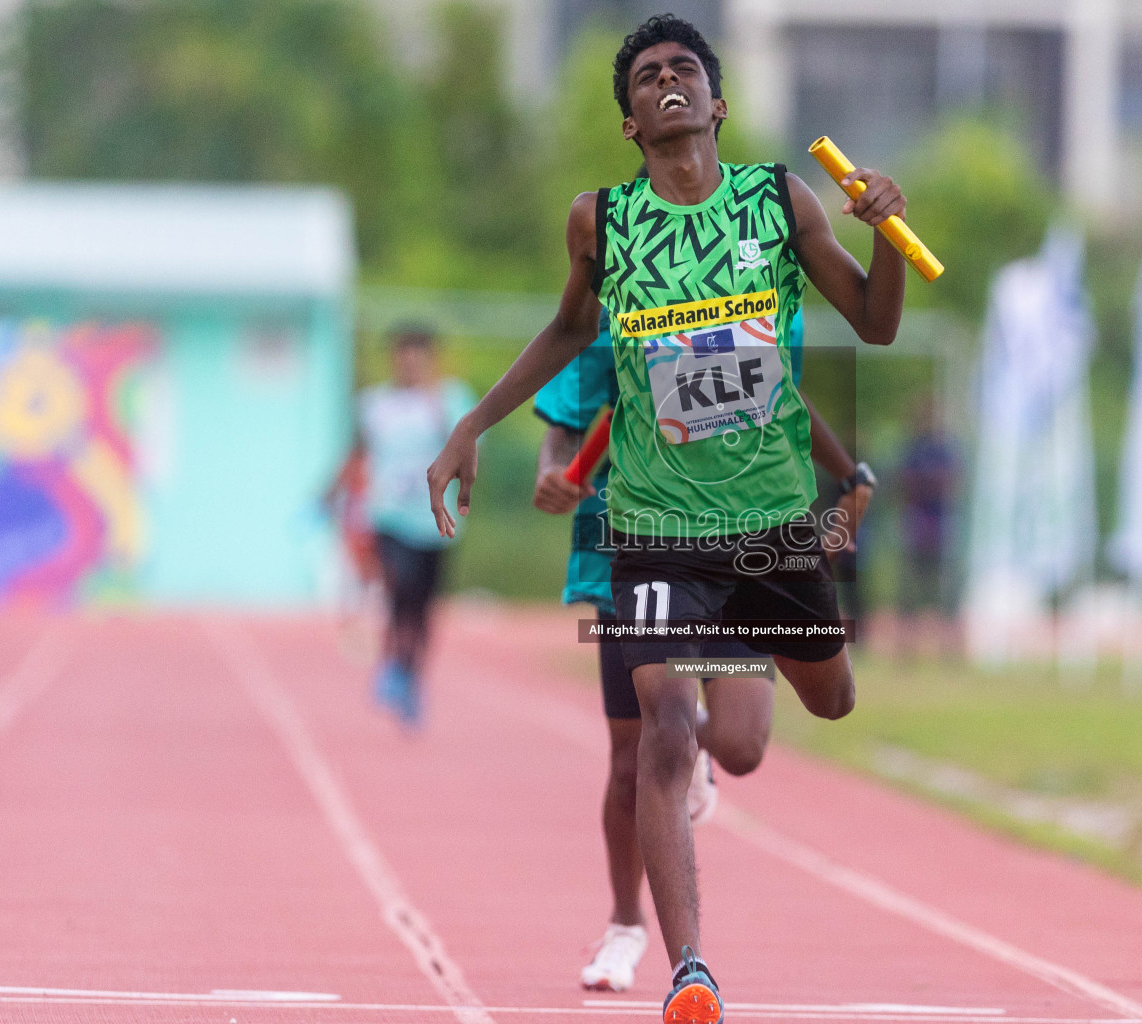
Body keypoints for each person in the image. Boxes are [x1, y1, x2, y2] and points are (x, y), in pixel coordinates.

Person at [426, 15, 908, 1022]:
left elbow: (876, 320)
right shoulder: (602, 220)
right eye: (647, 77)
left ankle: (750, 652)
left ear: (718, 102)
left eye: (685, 68)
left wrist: (886, 235)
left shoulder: (779, 201)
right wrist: (473, 422)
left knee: (789, 724)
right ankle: (691, 968)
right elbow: (565, 330)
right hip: (651, 523)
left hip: (772, 519)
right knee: (665, 731)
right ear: (630, 121)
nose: (668, 82)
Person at [532, 307, 870, 993]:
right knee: (635, 759)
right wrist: (555, 471)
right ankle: (628, 924)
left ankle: (697, 757)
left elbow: (783, 396)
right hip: (638, 553)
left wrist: (847, 473)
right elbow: (565, 425)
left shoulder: (748, 300)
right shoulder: (607, 318)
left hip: (740, 547)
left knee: (742, 744)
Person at [330, 324, 474, 727]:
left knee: (422, 606)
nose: (409, 362)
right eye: (402, 354)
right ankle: (392, 663)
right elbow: (356, 452)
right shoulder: (374, 403)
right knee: (399, 588)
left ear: (431, 359)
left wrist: (438, 407)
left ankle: (412, 673)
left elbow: (468, 449)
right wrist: (328, 497)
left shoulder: (451, 399)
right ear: (392, 358)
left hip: (435, 521)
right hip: (388, 516)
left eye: (418, 354)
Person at [896, 401, 960, 655]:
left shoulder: (945, 449)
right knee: (911, 592)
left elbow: (951, 482)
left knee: (946, 592)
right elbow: (905, 484)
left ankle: (950, 647)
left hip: (940, 527)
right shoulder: (912, 449)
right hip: (918, 526)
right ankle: (906, 648)